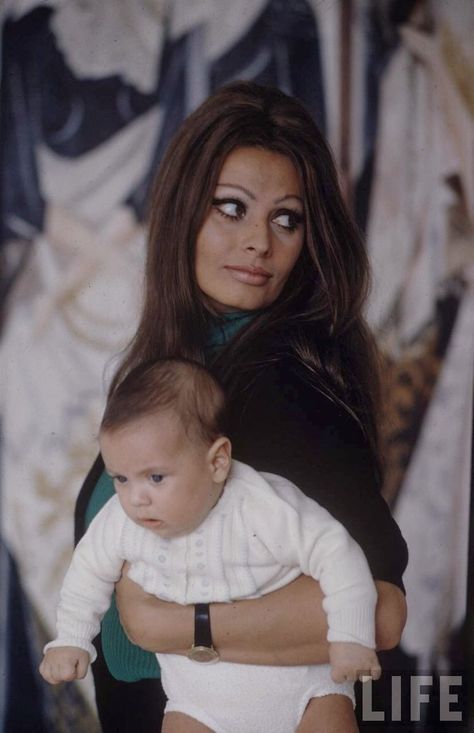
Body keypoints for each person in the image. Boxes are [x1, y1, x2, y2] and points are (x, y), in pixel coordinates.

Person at [74, 81, 408, 732]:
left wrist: (179, 624)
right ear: (184, 213)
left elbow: (383, 609)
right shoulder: (179, 375)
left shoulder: (287, 385)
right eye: (233, 208)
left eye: (287, 218)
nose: (260, 241)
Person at [42, 358, 382, 732]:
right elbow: (87, 571)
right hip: (199, 703)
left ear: (218, 462)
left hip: (306, 690)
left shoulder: (263, 504)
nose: (136, 498)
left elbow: (336, 551)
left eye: (155, 477)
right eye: (121, 478)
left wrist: (351, 636)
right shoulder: (121, 521)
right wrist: (71, 639)